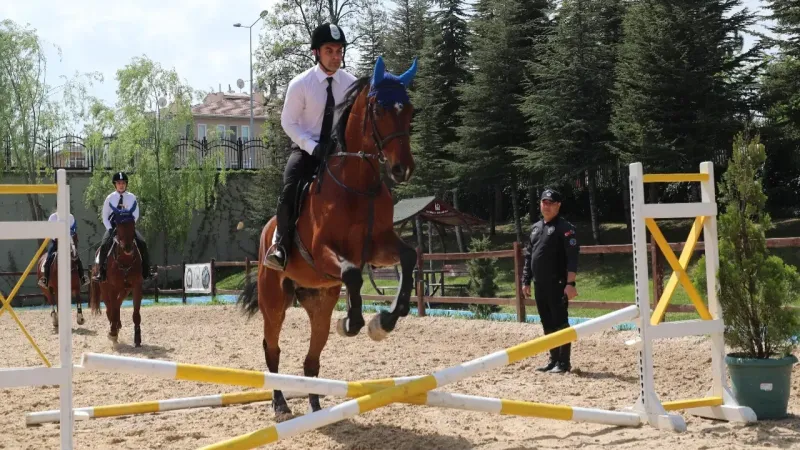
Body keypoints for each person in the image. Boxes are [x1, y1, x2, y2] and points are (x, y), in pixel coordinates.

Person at [265, 22, 357, 270]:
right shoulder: (300, 84)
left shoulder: (351, 84)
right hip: (305, 152)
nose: (336, 57)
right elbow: (288, 122)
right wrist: (312, 146)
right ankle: (281, 246)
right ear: (316, 52)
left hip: (337, 154)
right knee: (289, 189)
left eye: (339, 51)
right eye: (330, 51)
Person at [521, 189, 580, 374]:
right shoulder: (536, 228)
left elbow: (572, 259)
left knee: (561, 322)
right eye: (543, 202)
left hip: (558, 284)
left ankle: (564, 363)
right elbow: (529, 256)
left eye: (550, 203)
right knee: (547, 323)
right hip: (539, 285)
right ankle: (553, 359)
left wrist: (570, 284)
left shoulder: (565, 228)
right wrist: (525, 280)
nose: (546, 206)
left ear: (558, 205)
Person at [93, 171, 152, 281]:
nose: (121, 185)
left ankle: (146, 272)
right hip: (113, 227)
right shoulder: (110, 198)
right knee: (105, 244)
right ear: (115, 185)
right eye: (119, 183)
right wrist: (110, 229)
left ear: (126, 184)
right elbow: (104, 216)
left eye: (123, 183)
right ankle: (101, 273)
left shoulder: (132, 197)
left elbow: (136, 214)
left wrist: (129, 227)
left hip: (128, 228)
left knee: (142, 243)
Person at [38, 211, 88, 288]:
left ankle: (82, 277)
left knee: (77, 258)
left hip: (68, 242)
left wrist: (70, 236)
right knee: (49, 258)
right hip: (56, 242)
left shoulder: (70, 217)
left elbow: (73, 230)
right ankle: (45, 279)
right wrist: (57, 237)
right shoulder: (53, 217)